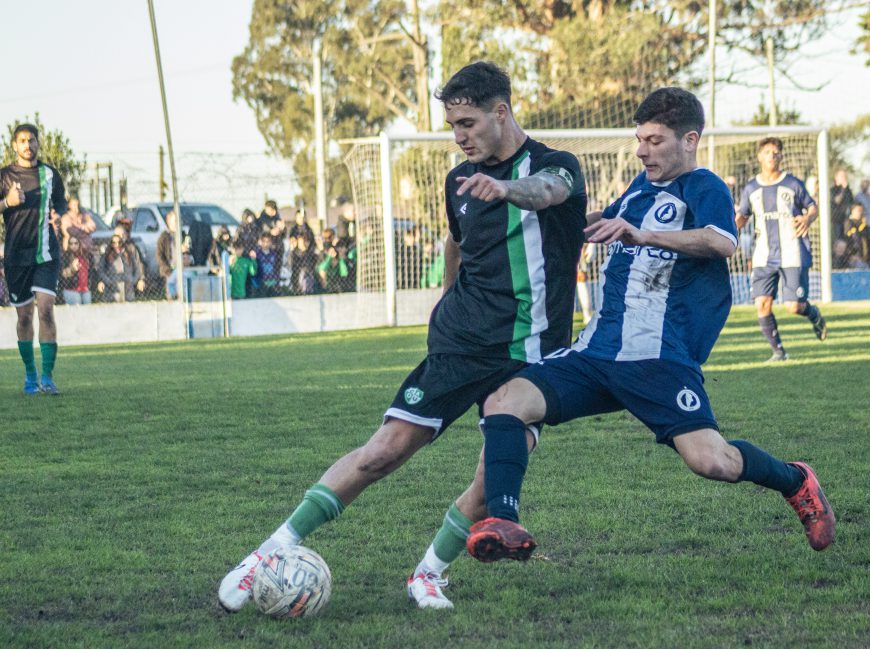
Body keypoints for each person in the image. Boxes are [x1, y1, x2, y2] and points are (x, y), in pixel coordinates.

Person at [217, 61, 588, 613]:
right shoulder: (458, 180)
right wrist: (445, 298)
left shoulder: (558, 167)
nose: (459, 137)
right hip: (461, 343)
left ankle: (428, 574)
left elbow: (547, 193)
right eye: (452, 126)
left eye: (467, 123)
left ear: (501, 112)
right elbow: (456, 242)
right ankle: (265, 555)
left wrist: (506, 188)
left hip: (533, 355)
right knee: (384, 451)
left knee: (492, 475)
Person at [450, 88, 834, 600]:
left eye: (654, 141)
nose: (642, 151)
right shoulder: (637, 188)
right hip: (598, 352)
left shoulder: (704, 185)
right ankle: (504, 522)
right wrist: (545, 220)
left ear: (689, 140)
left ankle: (795, 481)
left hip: (659, 359)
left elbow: (723, 241)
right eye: (639, 140)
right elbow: (602, 224)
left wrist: (643, 236)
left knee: (711, 462)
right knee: (505, 402)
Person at [736, 137, 827, 362]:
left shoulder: (793, 183)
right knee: (762, 303)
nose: (772, 156)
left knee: (793, 306)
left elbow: (812, 206)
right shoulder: (751, 188)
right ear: (760, 156)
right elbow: (743, 216)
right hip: (764, 254)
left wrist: (808, 218)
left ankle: (814, 314)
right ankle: (779, 352)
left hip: (792, 251)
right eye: (767, 152)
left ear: (781, 156)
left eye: (776, 152)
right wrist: (726, 234)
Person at [1, 123, 68, 395]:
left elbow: (61, 201)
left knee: (46, 310)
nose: (28, 145)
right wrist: (7, 202)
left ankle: (48, 377)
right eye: (23, 141)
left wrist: (59, 214)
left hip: (46, 254)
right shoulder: (5, 176)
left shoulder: (50, 174)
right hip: (16, 257)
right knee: (25, 317)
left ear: (38, 144)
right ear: (15, 146)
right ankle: (31, 376)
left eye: (32, 140)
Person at [97, 231, 144, 303]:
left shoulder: (128, 254)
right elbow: (101, 270)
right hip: (113, 291)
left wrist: (133, 280)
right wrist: (108, 281)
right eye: (114, 243)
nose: (117, 245)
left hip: (128, 290)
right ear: (111, 244)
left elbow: (137, 268)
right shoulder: (106, 256)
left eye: (119, 242)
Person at [156, 210, 191, 299]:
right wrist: (167, 270)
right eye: (175, 221)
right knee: (173, 294)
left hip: (184, 270)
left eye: (180, 220)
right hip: (171, 271)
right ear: (169, 223)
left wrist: (186, 252)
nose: (178, 223)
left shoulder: (184, 235)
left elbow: (190, 251)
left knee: (185, 294)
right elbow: (159, 255)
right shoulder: (164, 237)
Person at [59, 235, 92, 305]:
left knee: (88, 312)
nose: (73, 245)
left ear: (79, 244)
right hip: (72, 289)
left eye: (76, 243)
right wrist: (72, 269)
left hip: (85, 289)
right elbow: (62, 274)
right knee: (77, 312)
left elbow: (92, 271)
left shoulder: (86, 256)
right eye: (71, 243)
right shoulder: (65, 257)